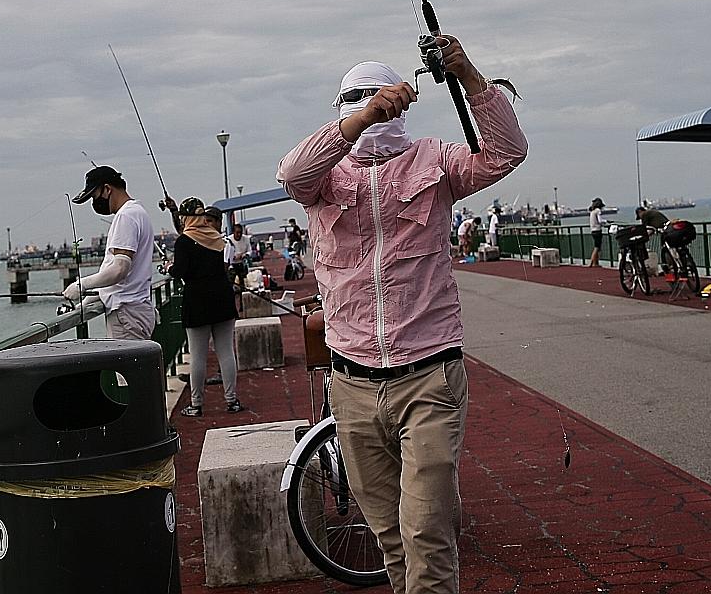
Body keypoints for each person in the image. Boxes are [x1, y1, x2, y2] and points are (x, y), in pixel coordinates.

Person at [278, 37, 527, 594]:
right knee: (390, 536)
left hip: (429, 375)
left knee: (426, 535)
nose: (369, 107)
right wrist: (363, 119)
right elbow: (291, 174)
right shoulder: (323, 178)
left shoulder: (436, 160)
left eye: (377, 97)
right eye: (355, 99)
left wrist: (468, 75)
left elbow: (506, 153)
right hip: (352, 385)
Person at [166, 199, 245, 415]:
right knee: (226, 352)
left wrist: (169, 267)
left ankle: (197, 404)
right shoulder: (216, 238)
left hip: (197, 301)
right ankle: (232, 401)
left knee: (198, 356)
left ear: (186, 218)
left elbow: (180, 271)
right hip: (222, 298)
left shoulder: (184, 241)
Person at [64, 166, 156, 340]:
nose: (94, 202)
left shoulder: (126, 216)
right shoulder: (138, 212)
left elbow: (120, 269)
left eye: (94, 196)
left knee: (126, 359)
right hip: (136, 310)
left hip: (126, 314)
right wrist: (93, 298)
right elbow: (128, 277)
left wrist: (81, 285)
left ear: (107, 189)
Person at [587, 197, 606, 267]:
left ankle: (596, 263)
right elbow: (600, 221)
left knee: (596, 246)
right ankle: (591, 262)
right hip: (598, 230)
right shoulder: (598, 211)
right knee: (597, 247)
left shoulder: (592, 211)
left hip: (593, 231)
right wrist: (605, 221)